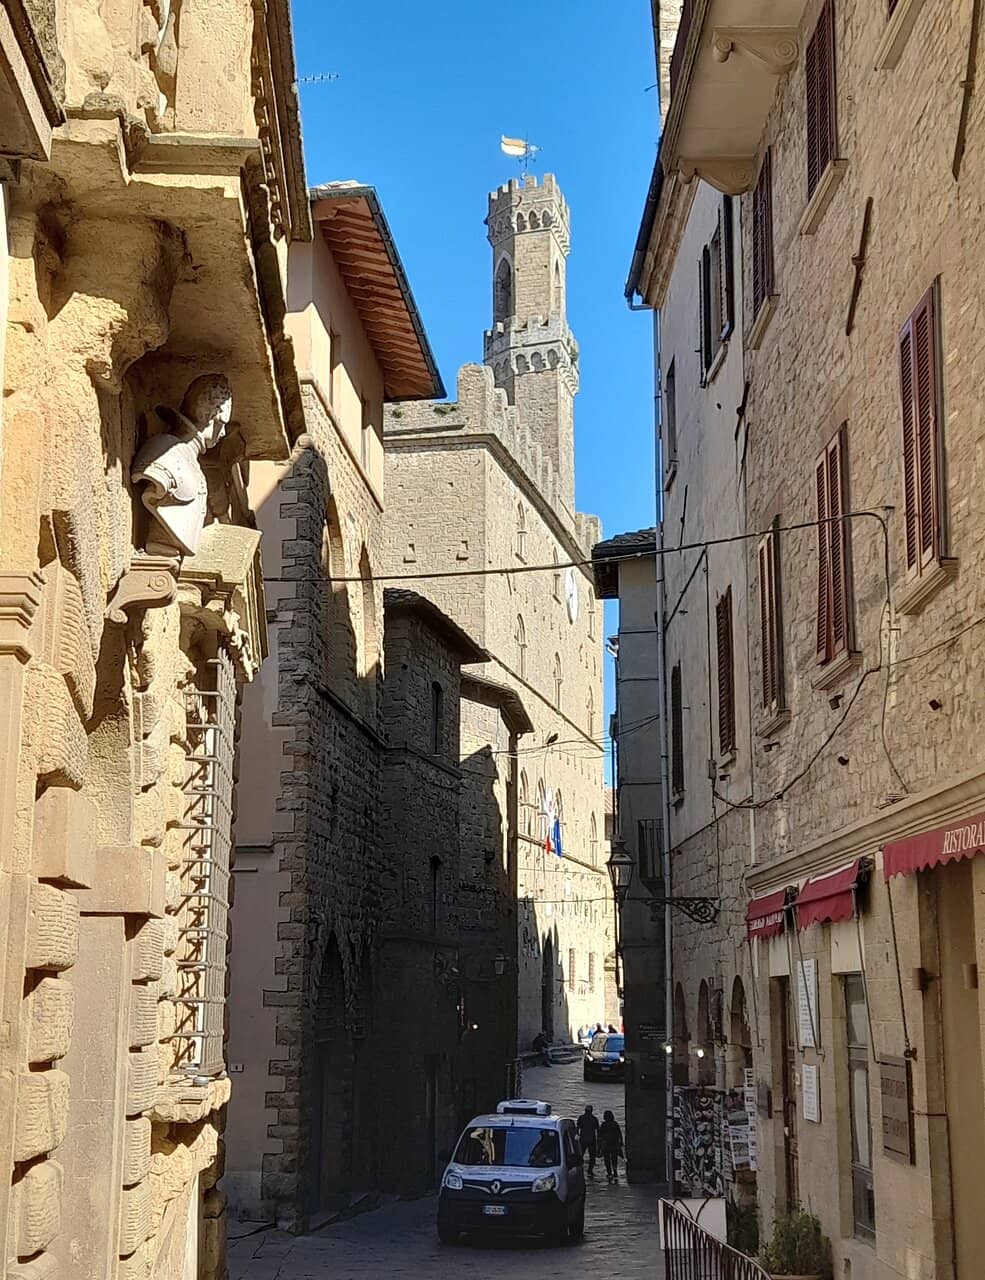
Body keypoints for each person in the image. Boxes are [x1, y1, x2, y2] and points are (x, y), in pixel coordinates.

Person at [598, 1109, 624, 1183]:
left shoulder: (604, 1124)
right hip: (614, 1143)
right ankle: (615, 1171)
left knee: (607, 1159)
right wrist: (621, 1141)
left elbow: (600, 1135)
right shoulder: (615, 1124)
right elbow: (619, 1133)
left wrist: (599, 1146)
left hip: (606, 1144)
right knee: (614, 1158)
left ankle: (609, 1173)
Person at [576, 1105, 600, 1175]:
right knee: (592, 1156)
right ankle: (590, 1170)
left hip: (583, 1139)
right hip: (591, 1140)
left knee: (580, 1155)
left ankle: (580, 1169)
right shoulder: (594, 1119)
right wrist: (599, 1140)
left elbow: (577, 1129)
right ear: (591, 1111)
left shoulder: (581, 1118)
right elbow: (598, 1131)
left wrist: (576, 1138)